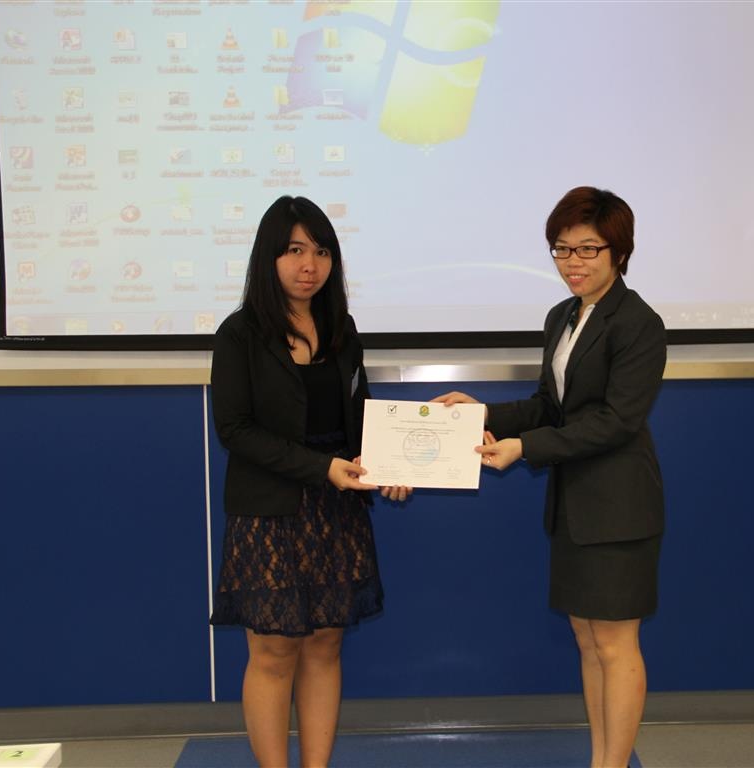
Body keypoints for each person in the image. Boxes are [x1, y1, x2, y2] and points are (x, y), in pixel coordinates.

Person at [435, 186, 667, 768]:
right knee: (588, 640)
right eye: (562, 249)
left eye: (588, 249)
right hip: (574, 503)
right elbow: (549, 405)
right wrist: (481, 414)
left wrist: (524, 448)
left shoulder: (638, 322)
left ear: (619, 252)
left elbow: (616, 421)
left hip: (619, 507)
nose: (573, 262)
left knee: (616, 643)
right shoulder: (562, 317)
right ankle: (602, 759)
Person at [210, 195, 411, 768]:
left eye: (322, 252)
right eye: (295, 250)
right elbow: (235, 430)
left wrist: (391, 466)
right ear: (269, 257)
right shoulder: (240, 334)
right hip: (269, 511)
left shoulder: (341, 329)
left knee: (325, 645)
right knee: (274, 653)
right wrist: (320, 468)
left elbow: (362, 414)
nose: (310, 265)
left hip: (336, 509)